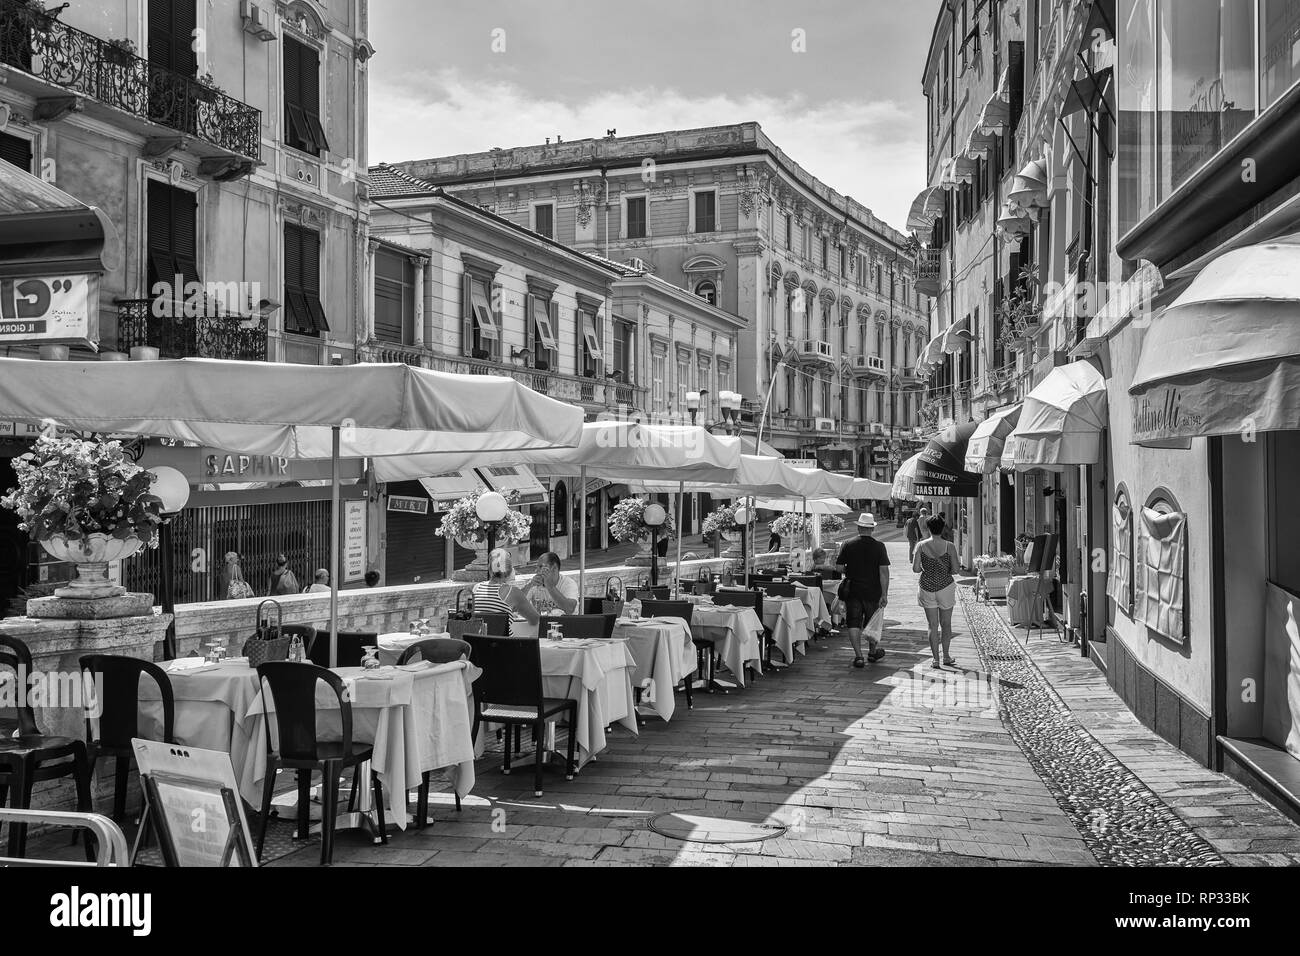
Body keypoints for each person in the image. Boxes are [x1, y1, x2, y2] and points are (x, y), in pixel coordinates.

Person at [834, 513, 891, 668]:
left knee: (854, 623)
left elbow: (839, 568)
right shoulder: (879, 546)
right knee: (872, 623)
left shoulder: (848, 544)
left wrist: (850, 569)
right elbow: (884, 572)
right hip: (873, 591)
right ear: (872, 529)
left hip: (853, 590)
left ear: (859, 527)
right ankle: (872, 652)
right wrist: (884, 594)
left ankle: (859, 656)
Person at [913, 515, 960, 668]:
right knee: (946, 624)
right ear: (943, 527)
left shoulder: (921, 546)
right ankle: (946, 656)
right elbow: (955, 570)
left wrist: (926, 567)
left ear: (928, 528)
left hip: (927, 586)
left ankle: (935, 659)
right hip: (945, 587)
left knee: (932, 625)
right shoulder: (949, 546)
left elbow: (916, 569)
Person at [472, 548, 540, 637]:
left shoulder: (476, 588)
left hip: (478, 645)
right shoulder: (512, 592)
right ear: (510, 570)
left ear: (490, 568)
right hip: (505, 646)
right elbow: (535, 620)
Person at [525, 551, 579, 616]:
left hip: (566, 624)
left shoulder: (568, 584)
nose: (536, 571)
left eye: (541, 567)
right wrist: (529, 585)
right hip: (541, 624)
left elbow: (570, 609)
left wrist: (550, 586)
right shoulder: (534, 584)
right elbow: (514, 607)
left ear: (554, 568)